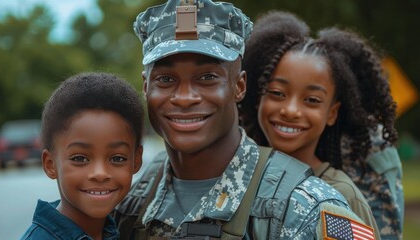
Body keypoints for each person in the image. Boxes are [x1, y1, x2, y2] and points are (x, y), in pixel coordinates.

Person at [113, 1, 375, 239]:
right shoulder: (131, 197)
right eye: (166, 80)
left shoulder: (304, 209)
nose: (184, 98)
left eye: (207, 78)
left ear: (239, 86)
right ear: (146, 87)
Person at [239, 10, 401, 239]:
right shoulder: (236, 177)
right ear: (258, 99)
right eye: (277, 93)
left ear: (332, 113)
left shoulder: (343, 196)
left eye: (312, 100)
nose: (290, 110)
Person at [21, 72, 144, 240]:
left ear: (136, 160)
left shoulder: (117, 230)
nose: (100, 173)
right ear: (50, 164)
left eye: (117, 158)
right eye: (80, 158)